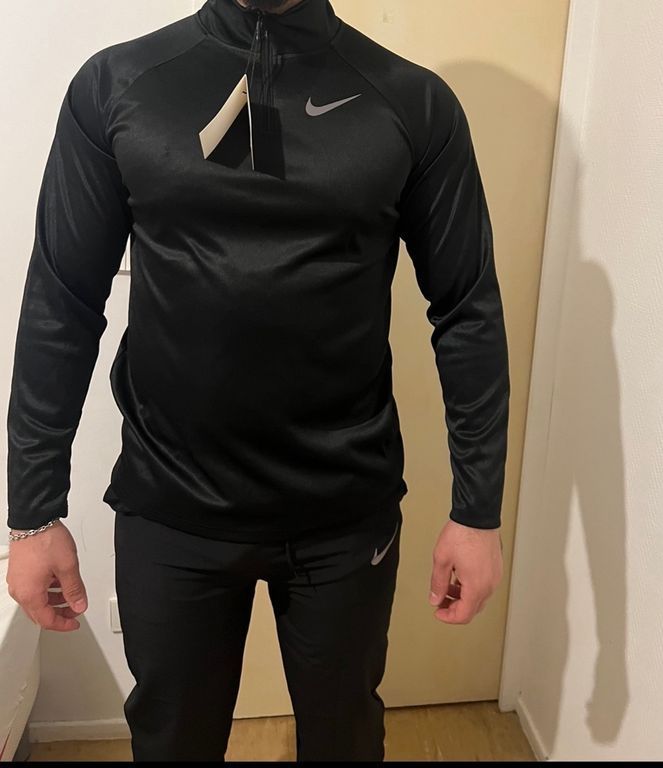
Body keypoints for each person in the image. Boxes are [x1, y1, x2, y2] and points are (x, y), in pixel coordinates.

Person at [5, 0, 510, 760]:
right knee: (173, 746)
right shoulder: (116, 86)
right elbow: (62, 302)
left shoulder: (412, 102)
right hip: (171, 509)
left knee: (345, 743)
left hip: (344, 514)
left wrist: (477, 512)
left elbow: (467, 311)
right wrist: (32, 512)